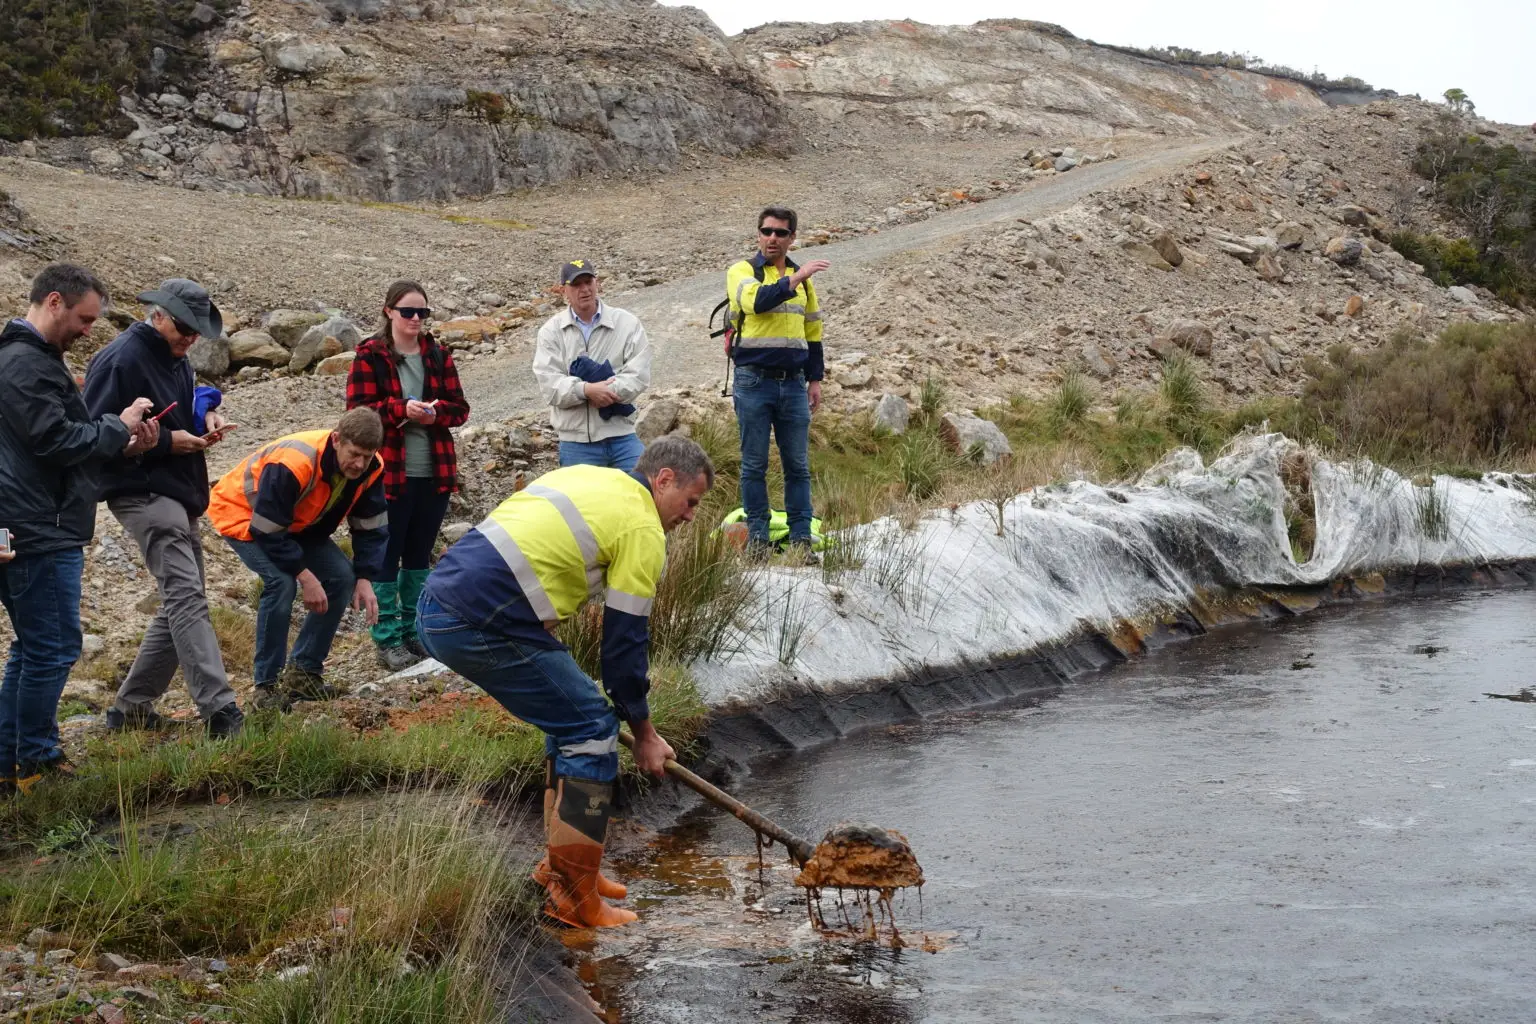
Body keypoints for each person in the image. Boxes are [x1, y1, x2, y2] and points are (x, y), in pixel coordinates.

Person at [416, 436, 714, 928]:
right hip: (476, 620)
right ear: (664, 480)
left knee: (573, 720)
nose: (690, 516)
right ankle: (575, 898)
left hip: (443, 604)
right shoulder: (643, 527)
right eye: (691, 502)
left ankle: (567, 869)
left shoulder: (592, 479)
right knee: (593, 729)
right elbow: (623, 645)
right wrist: (643, 733)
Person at [0, 263, 159, 797]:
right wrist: (118, 424)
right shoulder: (27, 365)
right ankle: (37, 764)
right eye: (84, 319)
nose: (89, 330)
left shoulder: (26, 360)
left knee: (32, 647)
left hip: (26, 523)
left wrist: (122, 441)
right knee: (53, 649)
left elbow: (50, 445)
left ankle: (11, 761)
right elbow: (56, 442)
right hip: (38, 527)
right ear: (53, 302)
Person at [83, 278, 243, 738]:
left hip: (176, 491)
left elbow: (188, 399)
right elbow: (90, 437)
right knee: (186, 598)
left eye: (197, 332)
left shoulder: (173, 356)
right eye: (185, 329)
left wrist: (205, 416)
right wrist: (167, 444)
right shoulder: (120, 360)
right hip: (142, 493)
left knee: (180, 602)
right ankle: (220, 711)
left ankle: (130, 710)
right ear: (158, 315)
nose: (192, 339)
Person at [207, 408, 387, 710]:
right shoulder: (294, 463)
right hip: (244, 515)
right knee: (282, 583)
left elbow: (371, 526)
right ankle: (266, 687)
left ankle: (303, 674)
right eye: (354, 453)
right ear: (336, 440)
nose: (359, 464)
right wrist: (306, 577)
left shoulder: (372, 468)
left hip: (297, 524)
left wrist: (366, 577)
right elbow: (266, 530)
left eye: (367, 456)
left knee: (342, 577)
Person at [345, 280, 469, 671]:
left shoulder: (438, 354)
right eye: (408, 312)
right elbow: (358, 414)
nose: (416, 319)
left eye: (422, 313)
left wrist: (435, 414)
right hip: (388, 473)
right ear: (389, 313)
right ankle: (386, 638)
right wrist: (401, 410)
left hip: (434, 471)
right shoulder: (369, 356)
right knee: (386, 554)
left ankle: (415, 631)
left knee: (418, 555)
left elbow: (460, 409)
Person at [726, 206, 829, 557]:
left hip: (794, 384)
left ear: (792, 238)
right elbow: (755, 302)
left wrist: (815, 379)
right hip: (753, 382)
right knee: (754, 463)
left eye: (781, 233)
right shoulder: (743, 271)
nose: (773, 238)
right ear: (758, 235)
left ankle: (801, 541)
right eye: (767, 231)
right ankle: (757, 540)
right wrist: (795, 280)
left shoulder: (803, 278)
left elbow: (813, 330)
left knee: (797, 465)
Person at [533, 260, 653, 471]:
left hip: (622, 436)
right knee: (582, 504)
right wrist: (586, 390)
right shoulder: (550, 332)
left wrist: (606, 392)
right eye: (576, 284)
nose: (585, 289)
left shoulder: (627, 323)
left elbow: (639, 375)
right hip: (575, 443)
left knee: (643, 491)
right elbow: (549, 385)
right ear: (564, 290)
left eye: (588, 281)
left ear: (597, 283)